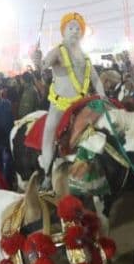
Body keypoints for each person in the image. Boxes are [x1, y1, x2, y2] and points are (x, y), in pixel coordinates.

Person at [32, 12, 94, 189]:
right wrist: (37, 61)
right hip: (59, 104)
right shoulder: (58, 51)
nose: (74, 31)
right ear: (64, 31)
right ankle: (46, 174)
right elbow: (43, 66)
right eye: (71, 27)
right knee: (49, 133)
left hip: (81, 103)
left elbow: (93, 78)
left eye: (77, 28)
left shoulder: (84, 56)